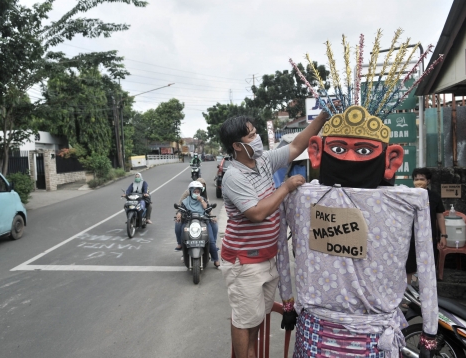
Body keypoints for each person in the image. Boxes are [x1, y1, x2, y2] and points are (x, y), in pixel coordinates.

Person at [277, 104, 440, 358]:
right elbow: (280, 245)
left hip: (366, 337)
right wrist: (429, 332)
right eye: (340, 149)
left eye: (363, 150)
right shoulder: (300, 196)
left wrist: (430, 331)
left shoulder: (410, 201)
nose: (350, 159)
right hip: (320, 332)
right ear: (317, 152)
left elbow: (427, 262)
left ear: (391, 159)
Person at [218, 108, 330, 358]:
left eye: (256, 132)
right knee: (243, 320)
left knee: (256, 318)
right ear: (237, 145)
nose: (256, 138)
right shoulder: (234, 176)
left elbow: (297, 145)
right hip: (244, 262)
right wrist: (286, 187)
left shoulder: (264, 160)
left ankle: (251, 354)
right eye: (251, 136)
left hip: (267, 258)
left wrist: (321, 119)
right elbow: (257, 213)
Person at [406, 167, 447, 284]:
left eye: (422, 179)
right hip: (411, 238)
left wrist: (443, 235)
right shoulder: (408, 196)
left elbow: (440, 217)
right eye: (416, 179)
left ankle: (427, 297)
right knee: (409, 268)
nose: (419, 181)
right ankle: (407, 297)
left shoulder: (434, 197)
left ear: (428, 181)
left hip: (429, 239)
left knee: (428, 268)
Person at [175, 181, 219, 267]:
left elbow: (208, 209)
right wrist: (179, 214)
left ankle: (215, 259)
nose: (196, 193)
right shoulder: (185, 201)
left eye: (198, 191)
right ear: (191, 191)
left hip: (203, 221)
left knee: (211, 240)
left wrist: (202, 201)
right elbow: (180, 210)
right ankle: (184, 254)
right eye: (194, 191)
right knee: (183, 237)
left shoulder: (203, 199)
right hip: (189, 221)